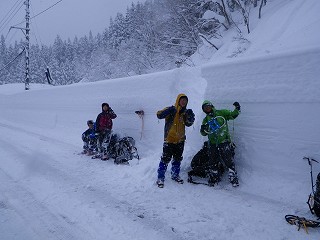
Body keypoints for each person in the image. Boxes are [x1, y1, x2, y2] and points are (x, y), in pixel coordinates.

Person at [156, 94, 195, 188]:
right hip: (169, 140)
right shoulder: (171, 110)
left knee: (177, 159)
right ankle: (160, 177)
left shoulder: (185, 112)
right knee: (165, 159)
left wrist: (190, 118)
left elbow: (188, 124)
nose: (184, 102)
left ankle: (175, 175)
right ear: (178, 100)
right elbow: (159, 115)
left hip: (180, 141)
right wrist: (169, 110)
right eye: (182, 100)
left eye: (185, 101)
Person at [200, 100, 241, 187]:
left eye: (208, 106)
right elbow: (204, 133)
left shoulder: (221, 113)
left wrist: (237, 109)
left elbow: (233, 115)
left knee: (228, 159)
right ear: (204, 110)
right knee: (212, 160)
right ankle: (214, 177)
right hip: (212, 143)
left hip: (224, 141)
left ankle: (233, 177)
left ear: (211, 106)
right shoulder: (205, 120)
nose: (207, 108)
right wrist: (203, 128)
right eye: (205, 108)